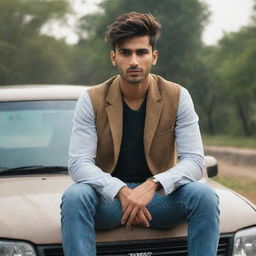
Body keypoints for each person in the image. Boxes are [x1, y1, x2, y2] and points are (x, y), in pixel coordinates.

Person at [61, 12, 220, 256]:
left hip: (159, 200)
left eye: (141, 52)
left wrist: (152, 185)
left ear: (153, 57)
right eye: (125, 53)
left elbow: (195, 161)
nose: (134, 61)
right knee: (75, 196)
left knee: (204, 196)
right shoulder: (91, 99)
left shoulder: (178, 96)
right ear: (114, 57)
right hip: (110, 201)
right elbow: (78, 163)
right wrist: (122, 191)